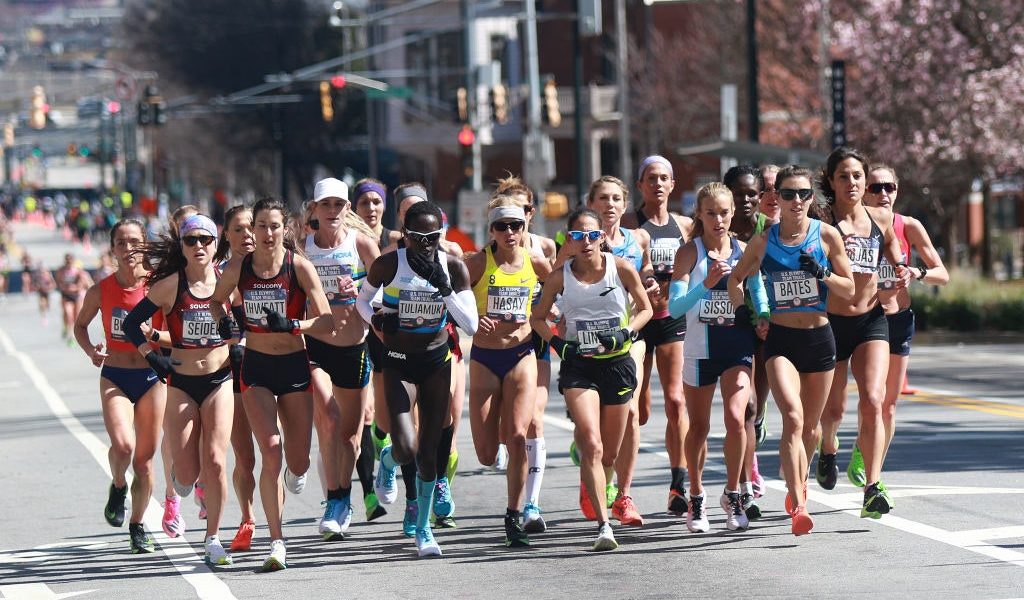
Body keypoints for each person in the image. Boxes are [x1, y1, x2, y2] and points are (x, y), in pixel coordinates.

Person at [727, 165, 855, 535]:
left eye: (803, 194)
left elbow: (851, 290)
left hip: (819, 339)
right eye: (787, 194)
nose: (795, 201)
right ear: (776, 199)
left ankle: (799, 480)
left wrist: (821, 273)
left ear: (811, 198)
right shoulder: (764, 240)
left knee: (811, 429)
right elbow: (737, 280)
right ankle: (798, 502)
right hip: (781, 341)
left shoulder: (826, 235)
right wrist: (744, 314)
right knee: (794, 420)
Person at [210, 197, 334, 571]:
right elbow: (216, 302)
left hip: (295, 366)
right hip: (257, 368)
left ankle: (297, 471)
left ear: (286, 229)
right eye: (259, 226)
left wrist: (296, 325)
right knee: (271, 451)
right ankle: (277, 541)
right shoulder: (238, 267)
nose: (265, 233)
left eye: (273, 226)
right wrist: (225, 323)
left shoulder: (300, 267)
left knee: (295, 460)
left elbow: (327, 320)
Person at [356, 200, 478, 557]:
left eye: (433, 238)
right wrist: (378, 323)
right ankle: (389, 463)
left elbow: (469, 324)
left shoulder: (453, 268)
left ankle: (424, 530)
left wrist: (446, 290)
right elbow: (364, 303)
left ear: (441, 235)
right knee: (406, 448)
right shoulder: (388, 264)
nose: (426, 245)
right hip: (397, 362)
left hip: (437, 363)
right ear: (405, 235)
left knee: (429, 455)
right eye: (418, 238)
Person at [531, 207, 652, 551]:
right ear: (568, 240)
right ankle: (603, 526)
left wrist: (625, 334)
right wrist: (559, 345)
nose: (586, 242)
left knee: (609, 453)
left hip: (617, 365)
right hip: (579, 366)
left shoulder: (621, 268)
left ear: (602, 237)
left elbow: (644, 309)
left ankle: (596, 483)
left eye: (592, 235)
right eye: (578, 236)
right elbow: (538, 318)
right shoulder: (560, 277)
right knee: (592, 443)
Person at [123, 214, 237, 566]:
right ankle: (180, 478)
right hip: (182, 384)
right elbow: (130, 324)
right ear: (183, 248)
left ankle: (214, 538)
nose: (199, 246)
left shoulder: (228, 283)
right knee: (187, 475)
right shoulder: (170, 286)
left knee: (217, 460)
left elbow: (250, 324)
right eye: (192, 241)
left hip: (220, 379)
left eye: (206, 240)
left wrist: (240, 341)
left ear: (217, 245)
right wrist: (151, 356)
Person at [815, 147, 909, 519]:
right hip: (832, 322)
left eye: (857, 176)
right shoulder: (820, 220)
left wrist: (900, 268)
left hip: (871, 319)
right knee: (834, 408)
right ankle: (828, 448)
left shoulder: (880, 218)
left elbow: (893, 250)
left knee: (873, 398)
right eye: (844, 176)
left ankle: (872, 486)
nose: (852, 182)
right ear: (832, 181)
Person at [668, 182, 768, 532]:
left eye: (724, 212)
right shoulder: (689, 253)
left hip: (736, 347)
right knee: (698, 427)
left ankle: (733, 493)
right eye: (711, 213)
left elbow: (756, 290)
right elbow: (675, 307)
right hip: (698, 350)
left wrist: (764, 317)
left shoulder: (743, 249)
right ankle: (696, 496)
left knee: (736, 417)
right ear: (699, 214)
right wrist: (706, 283)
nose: (719, 219)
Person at [72, 219, 166, 554]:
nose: (129, 249)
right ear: (112, 248)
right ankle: (117, 485)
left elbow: (174, 331)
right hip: (115, 375)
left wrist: (157, 339)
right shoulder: (101, 289)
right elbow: (80, 325)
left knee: (145, 461)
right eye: (122, 243)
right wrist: (90, 350)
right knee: (124, 446)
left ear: (145, 245)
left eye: (135, 242)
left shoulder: (158, 287)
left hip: (152, 378)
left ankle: (138, 525)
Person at [465, 197, 552, 546]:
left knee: (518, 434)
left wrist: (547, 314)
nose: (510, 232)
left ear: (524, 227)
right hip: (485, 359)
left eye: (516, 225)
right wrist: (474, 318)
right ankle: (501, 456)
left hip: (521, 355)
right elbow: (452, 297)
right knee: (487, 454)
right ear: (492, 230)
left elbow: (559, 293)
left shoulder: (536, 262)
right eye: (502, 226)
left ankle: (514, 514)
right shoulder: (477, 263)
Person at [302, 178, 381, 540]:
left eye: (338, 204)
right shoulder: (302, 249)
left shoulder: (360, 243)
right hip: (315, 347)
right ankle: (333, 497)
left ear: (347, 208)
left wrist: (363, 289)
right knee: (329, 419)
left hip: (353, 347)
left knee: (350, 435)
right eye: (325, 205)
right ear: (315, 209)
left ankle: (342, 501)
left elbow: (388, 284)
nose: (332, 211)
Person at [862, 164, 949, 480]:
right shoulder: (850, 227)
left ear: (897, 190)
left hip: (898, 319)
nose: (883, 194)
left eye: (889, 187)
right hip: (864, 322)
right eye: (875, 187)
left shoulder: (909, 226)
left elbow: (942, 274)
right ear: (862, 192)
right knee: (868, 401)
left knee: (888, 405)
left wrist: (918, 272)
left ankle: (874, 474)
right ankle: (853, 444)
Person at [581, 175, 657, 525]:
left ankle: (624, 495)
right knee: (597, 422)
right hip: (588, 343)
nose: (609, 205)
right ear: (591, 205)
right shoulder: (578, 242)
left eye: (615, 199)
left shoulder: (637, 239)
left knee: (629, 411)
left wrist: (651, 283)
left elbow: (647, 275)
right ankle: (594, 474)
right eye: (602, 199)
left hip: (628, 338)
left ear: (624, 206)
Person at [621, 155, 693, 515]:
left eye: (665, 178)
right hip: (636, 320)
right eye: (651, 178)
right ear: (640, 185)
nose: (658, 184)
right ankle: (620, 488)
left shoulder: (685, 225)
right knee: (639, 409)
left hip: (670, 318)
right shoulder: (629, 224)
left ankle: (678, 483)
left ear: (673, 184)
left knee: (677, 400)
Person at [494, 174, 557, 532]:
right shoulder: (493, 250)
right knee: (510, 425)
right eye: (505, 218)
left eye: (522, 213)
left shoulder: (545, 249)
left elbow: (560, 288)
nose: (513, 224)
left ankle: (531, 504)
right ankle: (512, 459)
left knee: (535, 418)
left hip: (536, 339)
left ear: (531, 214)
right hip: (502, 343)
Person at [211, 205, 260, 551]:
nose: (247, 236)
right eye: (238, 230)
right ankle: (248, 518)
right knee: (246, 457)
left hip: (276, 365)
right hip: (234, 369)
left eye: (251, 228)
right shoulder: (216, 276)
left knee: (277, 454)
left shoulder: (279, 269)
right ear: (226, 235)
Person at [724, 164, 771, 519]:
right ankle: (743, 484)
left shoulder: (769, 230)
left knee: (756, 408)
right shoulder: (716, 227)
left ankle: (749, 454)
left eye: (752, 193)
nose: (746, 200)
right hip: (730, 325)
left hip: (766, 326)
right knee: (746, 407)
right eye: (739, 193)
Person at [354, 178, 402, 249]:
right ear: (355, 207)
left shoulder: (399, 240)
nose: (371, 208)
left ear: (384, 206)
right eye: (364, 203)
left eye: (376, 202)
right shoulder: (346, 243)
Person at [57, 253, 92, 342]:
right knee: (68, 314)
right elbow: (58, 283)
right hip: (66, 295)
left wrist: (75, 287)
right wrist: (64, 288)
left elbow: (84, 284)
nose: (68, 262)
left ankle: (75, 333)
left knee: (76, 317)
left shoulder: (78, 271)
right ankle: (70, 334)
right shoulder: (61, 271)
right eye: (67, 260)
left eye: (70, 260)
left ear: (73, 261)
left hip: (76, 295)